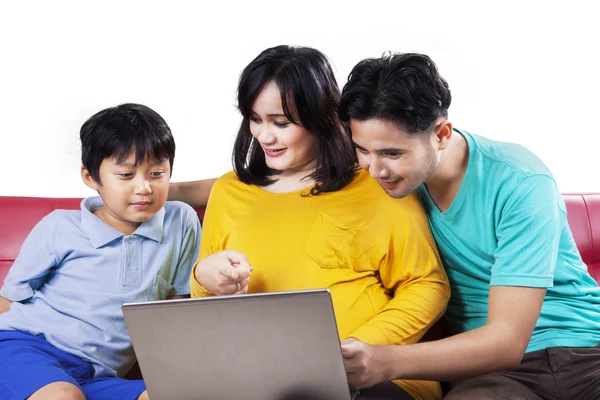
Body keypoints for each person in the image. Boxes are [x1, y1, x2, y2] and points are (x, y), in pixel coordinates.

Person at [171, 45, 450, 400]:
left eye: (281, 123)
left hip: (375, 379)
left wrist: (358, 350)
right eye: (255, 119)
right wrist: (203, 277)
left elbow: (427, 286)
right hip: (264, 381)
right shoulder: (229, 192)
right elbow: (207, 308)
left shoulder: (377, 182)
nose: (264, 136)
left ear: (321, 117)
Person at [337, 52, 600, 399]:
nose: (374, 169)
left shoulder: (520, 180)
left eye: (392, 153)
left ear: (442, 133)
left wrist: (383, 361)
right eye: (363, 150)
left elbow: (507, 341)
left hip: (585, 353)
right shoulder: (381, 187)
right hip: (497, 378)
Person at [0, 103, 201, 400]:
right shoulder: (60, 227)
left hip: (99, 374)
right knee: (62, 396)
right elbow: (8, 299)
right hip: (28, 347)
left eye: (157, 173)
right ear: (91, 177)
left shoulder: (181, 222)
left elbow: (175, 311)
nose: (144, 187)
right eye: (126, 175)